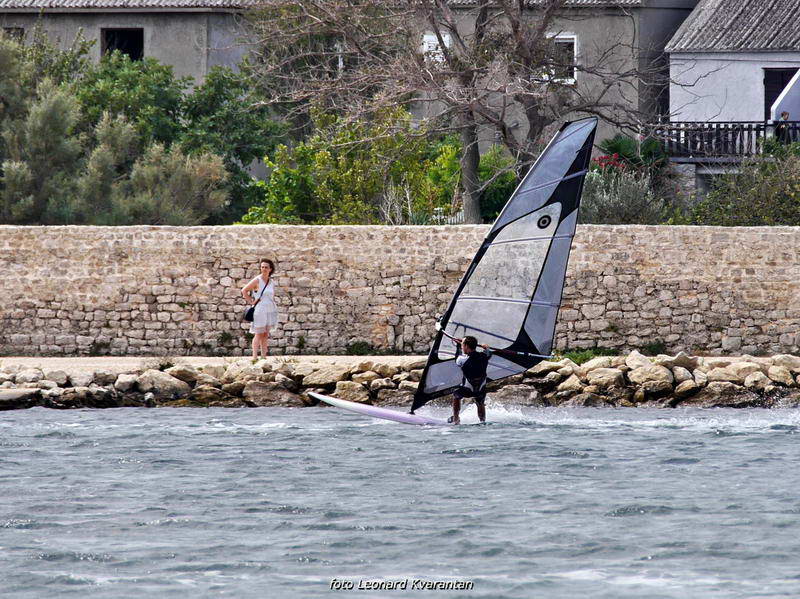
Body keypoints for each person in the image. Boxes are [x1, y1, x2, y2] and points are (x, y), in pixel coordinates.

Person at [449, 335, 491, 424]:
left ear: (467, 346)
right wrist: (486, 347)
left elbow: (457, 358)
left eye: (462, 344)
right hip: (480, 389)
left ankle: (456, 419)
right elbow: (488, 352)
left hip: (468, 389)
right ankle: (482, 421)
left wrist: (457, 346)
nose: (461, 346)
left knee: (456, 395)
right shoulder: (484, 356)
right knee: (480, 402)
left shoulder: (462, 359)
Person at [241, 258, 278, 359]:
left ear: (270, 269)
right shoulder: (257, 280)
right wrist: (252, 302)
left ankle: (263, 356)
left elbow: (271, 295)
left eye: (266, 267)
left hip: (270, 309)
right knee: (258, 333)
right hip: (260, 309)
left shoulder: (271, 282)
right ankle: (254, 357)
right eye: (262, 267)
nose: (264, 269)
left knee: (266, 334)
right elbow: (244, 290)